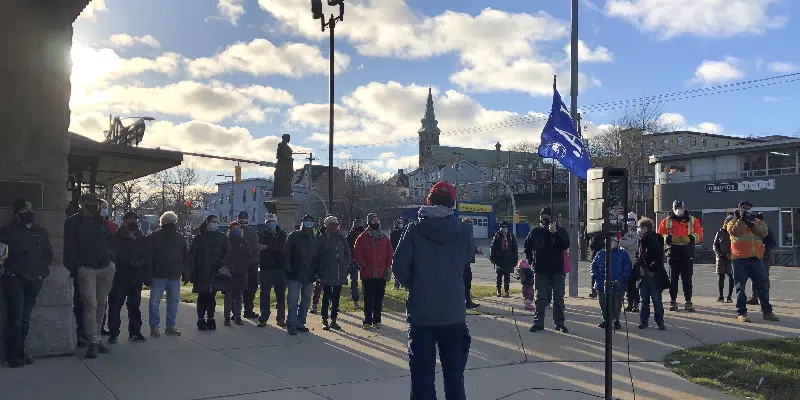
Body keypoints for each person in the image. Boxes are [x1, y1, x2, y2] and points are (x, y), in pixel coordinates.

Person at [393, 181, 474, 400]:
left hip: (422, 315)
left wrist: (419, 285)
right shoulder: (464, 231)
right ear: (453, 203)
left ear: (428, 201)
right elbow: (466, 261)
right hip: (453, 313)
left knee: (421, 378)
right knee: (455, 378)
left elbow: (399, 266)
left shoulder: (414, 229)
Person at [0, 199, 53, 367]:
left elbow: (47, 254)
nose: (29, 214)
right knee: (15, 318)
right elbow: (2, 256)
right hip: (14, 279)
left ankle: (20, 353)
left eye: (30, 210)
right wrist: (12, 271)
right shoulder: (7, 232)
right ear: (16, 214)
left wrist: (42, 273)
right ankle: (11, 356)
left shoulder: (40, 232)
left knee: (25, 319)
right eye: (24, 211)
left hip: (34, 280)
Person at [64, 193, 115, 359]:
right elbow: (69, 247)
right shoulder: (72, 222)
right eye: (92, 203)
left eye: (97, 203)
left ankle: (98, 337)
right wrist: (77, 267)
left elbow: (109, 240)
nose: (96, 206)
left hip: (105, 267)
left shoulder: (99, 221)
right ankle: (92, 341)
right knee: (90, 305)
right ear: (83, 204)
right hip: (87, 269)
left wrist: (111, 258)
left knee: (101, 304)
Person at [726, 202, 780, 323]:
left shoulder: (758, 221)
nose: (747, 211)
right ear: (739, 210)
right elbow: (734, 232)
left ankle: (767, 312)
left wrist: (750, 223)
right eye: (744, 209)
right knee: (740, 288)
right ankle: (741, 313)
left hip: (756, 259)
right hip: (739, 259)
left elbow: (763, 232)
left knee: (763, 287)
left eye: (748, 209)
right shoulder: (732, 221)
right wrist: (741, 220)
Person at [524, 207, 570, 333]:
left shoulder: (560, 230)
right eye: (542, 217)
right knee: (541, 298)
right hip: (541, 270)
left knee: (558, 297)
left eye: (547, 217)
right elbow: (527, 247)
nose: (544, 219)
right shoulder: (535, 232)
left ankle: (559, 323)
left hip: (557, 270)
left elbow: (566, 245)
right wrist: (531, 261)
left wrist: (555, 233)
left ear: (552, 218)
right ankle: (538, 322)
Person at [107, 212, 148, 344]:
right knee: (115, 306)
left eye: (135, 220)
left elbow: (147, 254)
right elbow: (114, 255)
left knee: (135, 305)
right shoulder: (116, 237)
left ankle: (135, 331)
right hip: (120, 276)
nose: (133, 222)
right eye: (130, 220)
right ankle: (113, 332)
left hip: (136, 277)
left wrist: (141, 263)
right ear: (124, 221)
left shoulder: (141, 238)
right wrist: (128, 262)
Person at [658, 200, 703, 313]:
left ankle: (688, 302)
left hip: (686, 252)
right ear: (673, 208)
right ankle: (673, 301)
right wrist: (666, 238)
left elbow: (700, 233)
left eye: (680, 207)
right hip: (673, 252)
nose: (678, 209)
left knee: (687, 279)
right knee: (673, 279)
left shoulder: (692, 220)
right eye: (676, 207)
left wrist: (692, 238)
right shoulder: (666, 221)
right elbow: (660, 234)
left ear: (684, 207)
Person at [148, 211, 187, 337]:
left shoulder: (180, 238)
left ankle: (170, 326)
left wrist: (186, 272)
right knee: (154, 303)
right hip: (158, 275)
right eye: (168, 221)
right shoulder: (154, 237)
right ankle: (154, 327)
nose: (171, 223)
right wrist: (148, 275)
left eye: (173, 221)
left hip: (174, 275)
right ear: (163, 222)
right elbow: (149, 257)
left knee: (173, 303)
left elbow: (185, 256)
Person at [187, 215, 228, 331]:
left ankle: (211, 318)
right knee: (202, 297)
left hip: (215, 271)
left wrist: (220, 262)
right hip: (202, 271)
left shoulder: (222, 237)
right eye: (213, 222)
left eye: (217, 222)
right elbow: (192, 255)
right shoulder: (199, 238)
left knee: (211, 297)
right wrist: (192, 272)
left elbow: (227, 253)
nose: (215, 224)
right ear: (208, 223)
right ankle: (201, 319)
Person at [354, 213, 393, 330]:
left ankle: (377, 320)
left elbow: (389, 252)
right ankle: (367, 320)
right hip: (368, 273)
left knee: (378, 299)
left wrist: (388, 266)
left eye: (377, 220)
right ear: (369, 222)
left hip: (381, 274)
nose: (376, 222)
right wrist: (363, 265)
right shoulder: (362, 237)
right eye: (373, 220)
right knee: (368, 298)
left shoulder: (384, 237)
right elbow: (357, 252)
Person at [284, 214, 320, 335]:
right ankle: (291, 324)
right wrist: (288, 270)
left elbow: (317, 258)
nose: (308, 223)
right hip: (294, 274)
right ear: (302, 223)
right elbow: (287, 254)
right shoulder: (294, 236)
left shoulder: (315, 239)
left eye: (311, 221)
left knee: (305, 300)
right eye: (306, 221)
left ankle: (300, 323)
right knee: (293, 300)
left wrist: (317, 272)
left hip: (310, 275)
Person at [591, 236, 632, 330]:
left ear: (617, 242)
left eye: (613, 240)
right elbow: (593, 266)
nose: (610, 242)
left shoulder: (622, 253)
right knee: (603, 303)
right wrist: (596, 276)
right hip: (601, 283)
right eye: (609, 240)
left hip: (617, 283)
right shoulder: (601, 253)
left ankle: (616, 320)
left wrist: (622, 278)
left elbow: (627, 266)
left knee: (616, 303)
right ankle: (606, 320)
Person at [317, 216, 350, 331]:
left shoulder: (341, 238)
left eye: (336, 224)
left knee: (336, 297)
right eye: (332, 224)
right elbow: (317, 256)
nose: (335, 226)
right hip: (326, 273)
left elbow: (347, 252)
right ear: (326, 225)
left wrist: (344, 265)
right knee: (326, 296)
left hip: (339, 273)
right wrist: (320, 271)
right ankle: (324, 319)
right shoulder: (321, 239)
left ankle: (334, 320)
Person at [635, 217, 669, 330]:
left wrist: (650, 269)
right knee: (644, 299)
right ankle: (643, 321)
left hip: (653, 275)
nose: (638, 229)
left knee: (655, 299)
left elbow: (657, 257)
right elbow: (639, 257)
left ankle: (659, 321)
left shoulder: (652, 239)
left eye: (639, 227)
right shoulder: (642, 240)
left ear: (645, 228)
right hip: (644, 274)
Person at [258, 213, 288, 328]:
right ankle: (264, 317)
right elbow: (259, 247)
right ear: (266, 223)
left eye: (272, 222)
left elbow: (282, 248)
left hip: (279, 268)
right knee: (264, 295)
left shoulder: (282, 234)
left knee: (280, 295)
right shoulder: (261, 234)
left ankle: (280, 318)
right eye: (268, 222)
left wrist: (267, 247)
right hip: (266, 268)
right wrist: (271, 248)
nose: (270, 224)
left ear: (276, 222)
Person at [223, 221, 251, 326]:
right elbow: (225, 257)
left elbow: (248, 257)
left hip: (241, 274)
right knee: (228, 296)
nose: (236, 231)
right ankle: (227, 317)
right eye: (234, 229)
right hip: (229, 274)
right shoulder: (227, 242)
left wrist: (242, 269)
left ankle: (238, 316)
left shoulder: (244, 242)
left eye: (238, 229)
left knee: (239, 297)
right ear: (230, 231)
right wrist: (230, 269)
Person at [237, 211, 261, 320]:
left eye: (245, 218)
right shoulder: (234, 230)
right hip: (240, 264)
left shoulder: (252, 230)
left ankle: (248, 310)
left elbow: (256, 245)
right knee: (239, 289)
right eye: (241, 218)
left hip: (253, 263)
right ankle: (236, 312)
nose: (243, 220)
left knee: (252, 288)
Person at [749, 212, 776, 306]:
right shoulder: (753, 230)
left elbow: (772, 243)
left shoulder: (767, 230)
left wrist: (764, 249)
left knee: (764, 278)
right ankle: (754, 297)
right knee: (754, 277)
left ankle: (765, 297)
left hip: (764, 257)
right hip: (754, 256)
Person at [99, 199, 117, 337]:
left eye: (106, 207)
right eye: (103, 207)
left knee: (102, 299)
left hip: (107, 265)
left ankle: (101, 326)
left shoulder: (112, 225)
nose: (105, 209)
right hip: (91, 267)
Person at [489, 221, 518, 298]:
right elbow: (493, 248)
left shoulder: (511, 236)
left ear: (508, 228)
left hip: (508, 260)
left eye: (505, 227)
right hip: (499, 260)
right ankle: (498, 290)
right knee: (499, 276)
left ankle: (506, 290)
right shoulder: (497, 236)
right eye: (502, 227)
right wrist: (493, 258)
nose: (504, 229)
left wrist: (515, 260)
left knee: (507, 277)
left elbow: (515, 249)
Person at [620, 212, 640, 312]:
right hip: (624, 260)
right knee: (627, 284)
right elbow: (621, 242)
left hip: (635, 261)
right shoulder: (623, 231)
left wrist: (628, 243)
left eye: (632, 220)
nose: (630, 222)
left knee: (635, 285)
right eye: (629, 220)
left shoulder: (638, 231)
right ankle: (630, 303)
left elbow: (636, 244)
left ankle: (636, 304)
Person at [713, 216, 735, 303]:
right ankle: (721, 296)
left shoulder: (733, 232)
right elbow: (715, 245)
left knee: (731, 276)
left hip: (731, 257)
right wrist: (719, 254)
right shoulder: (720, 233)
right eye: (727, 222)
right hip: (721, 258)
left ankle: (729, 296)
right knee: (721, 276)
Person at [346, 218, 365, 310]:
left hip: (355, 261)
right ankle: (356, 302)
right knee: (355, 282)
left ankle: (356, 301)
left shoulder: (362, 235)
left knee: (355, 282)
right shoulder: (352, 235)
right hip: (352, 261)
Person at [462, 218, 481, 309]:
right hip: (463, 262)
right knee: (465, 283)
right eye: (470, 224)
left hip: (466, 262)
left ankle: (468, 301)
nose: (472, 226)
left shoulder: (468, 233)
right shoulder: (463, 233)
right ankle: (467, 302)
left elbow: (471, 245)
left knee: (467, 282)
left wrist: (476, 250)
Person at [390, 217, 405, 290]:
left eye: (401, 222)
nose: (400, 224)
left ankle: (404, 285)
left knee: (405, 270)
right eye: (399, 222)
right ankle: (396, 285)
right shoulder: (393, 234)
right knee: (396, 270)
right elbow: (391, 244)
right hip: (396, 254)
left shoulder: (405, 232)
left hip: (404, 253)